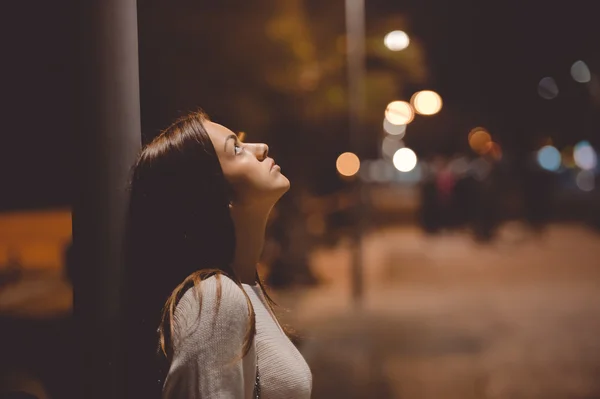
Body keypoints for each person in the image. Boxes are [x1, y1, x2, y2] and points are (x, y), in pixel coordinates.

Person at [123, 110, 313, 399]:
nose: (260, 149)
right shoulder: (214, 301)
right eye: (236, 149)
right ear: (213, 194)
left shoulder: (241, 287)